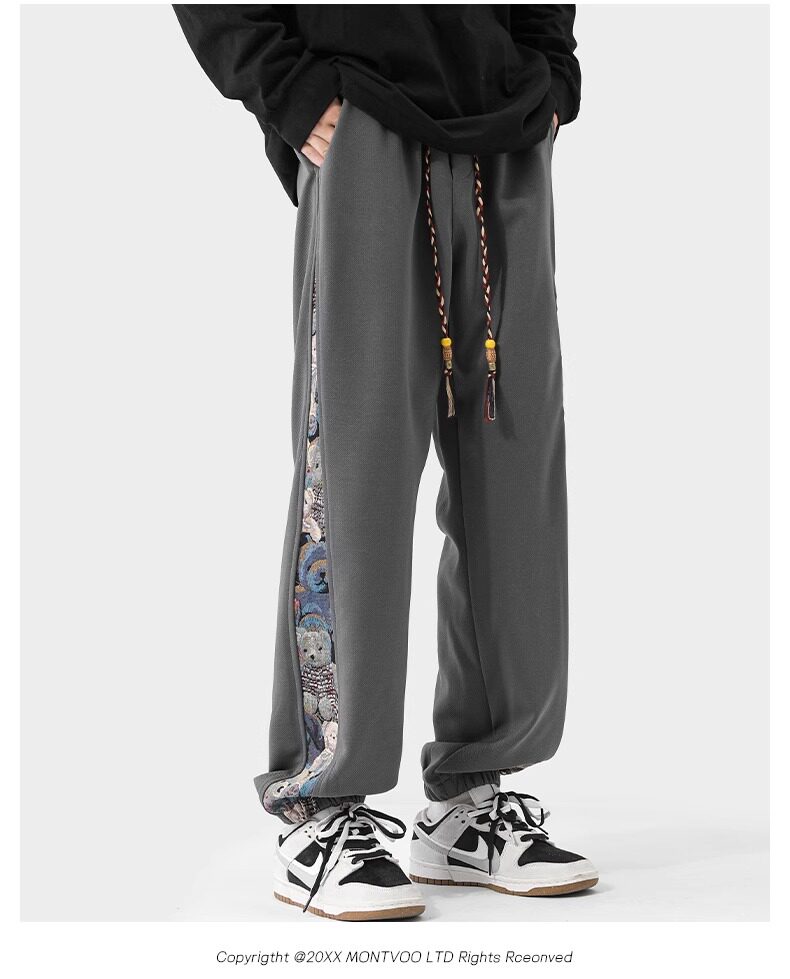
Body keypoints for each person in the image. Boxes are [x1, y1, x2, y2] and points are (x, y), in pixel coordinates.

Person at [174, 4, 597, 921]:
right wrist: (282, 83)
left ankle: (471, 797)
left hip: (504, 119)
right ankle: (319, 803)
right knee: (356, 476)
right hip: (359, 113)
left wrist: (551, 64)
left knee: (515, 477)